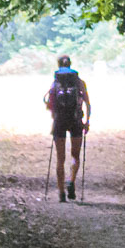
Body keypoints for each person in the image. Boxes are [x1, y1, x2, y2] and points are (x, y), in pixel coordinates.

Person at [45, 54, 90, 202]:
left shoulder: (55, 82)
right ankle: (71, 181)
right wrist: (87, 122)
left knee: (60, 159)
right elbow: (88, 104)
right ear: (70, 64)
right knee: (75, 156)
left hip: (59, 122)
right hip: (76, 120)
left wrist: (55, 118)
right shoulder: (79, 82)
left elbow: (49, 104)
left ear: (58, 66)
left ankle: (61, 193)